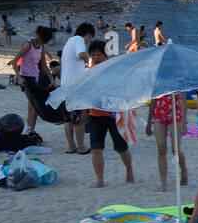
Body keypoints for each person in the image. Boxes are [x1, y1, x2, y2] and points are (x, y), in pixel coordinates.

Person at [86, 40, 135, 187]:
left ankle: (129, 171)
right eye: (93, 55)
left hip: (114, 115)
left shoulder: (113, 69)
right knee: (96, 148)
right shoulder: (91, 71)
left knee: (121, 148)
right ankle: (99, 180)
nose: (96, 58)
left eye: (99, 55)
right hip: (95, 115)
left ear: (105, 55)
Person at [10, 25, 54, 132]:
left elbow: (44, 65)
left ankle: (30, 130)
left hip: (35, 78)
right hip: (25, 79)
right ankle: (29, 130)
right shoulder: (28, 45)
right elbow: (14, 62)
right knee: (33, 106)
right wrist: (19, 77)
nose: (40, 41)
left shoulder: (42, 47)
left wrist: (52, 80)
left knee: (34, 106)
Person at [60, 20, 95, 154]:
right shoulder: (79, 39)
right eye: (90, 37)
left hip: (65, 85)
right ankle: (81, 147)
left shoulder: (69, 42)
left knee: (68, 118)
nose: (89, 40)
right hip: (76, 86)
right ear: (87, 34)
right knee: (81, 117)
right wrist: (88, 62)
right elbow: (81, 54)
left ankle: (71, 146)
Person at [146, 92, 188, 192]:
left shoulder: (177, 79)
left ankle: (184, 170)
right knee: (161, 150)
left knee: (175, 149)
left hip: (175, 115)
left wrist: (184, 122)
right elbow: (153, 101)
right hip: (159, 115)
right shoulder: (157, 79)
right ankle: (163, 184)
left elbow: (183, 101)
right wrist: (148, 122)